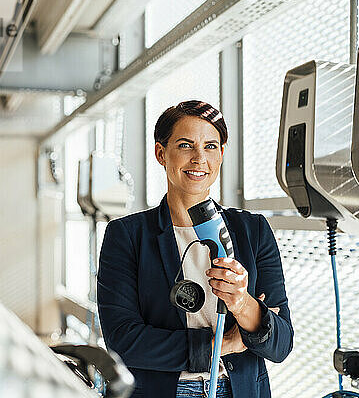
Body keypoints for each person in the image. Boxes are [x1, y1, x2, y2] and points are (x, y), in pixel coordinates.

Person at [97, 100, 293, 398]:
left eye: (211, 146)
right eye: (186, 145)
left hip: (240, 390)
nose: (200, 158)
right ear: (161, 153)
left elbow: (280, 343)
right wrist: (222, 345)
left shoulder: (252, 231)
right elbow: (124, 341)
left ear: (222, 154)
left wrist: (241, 303)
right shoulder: (127, 236)